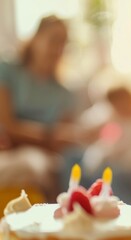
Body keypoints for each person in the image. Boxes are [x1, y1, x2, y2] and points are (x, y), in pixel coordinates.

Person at [0, 15, 80, 207]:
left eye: (63, 43)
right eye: (53, 40)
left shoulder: (65, 93)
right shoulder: (7, 71)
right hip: (7, 148)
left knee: (39, 166)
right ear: (36, 39)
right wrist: (48, 135)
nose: (58, 48)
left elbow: (63, 139)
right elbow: (6, 126)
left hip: (42, 155)